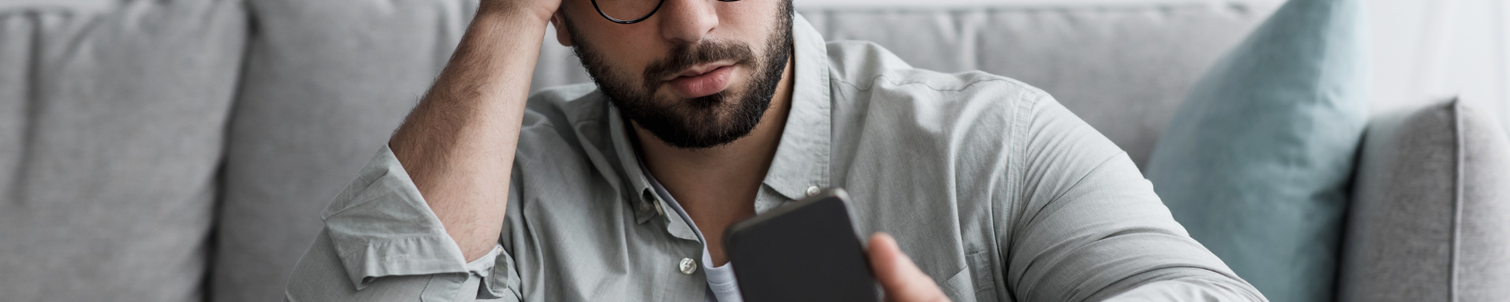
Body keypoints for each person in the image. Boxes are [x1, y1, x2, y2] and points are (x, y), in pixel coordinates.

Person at [284, 0, 1268, 300]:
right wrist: (499, 23)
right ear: (564, 23)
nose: (691, 23)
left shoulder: (992, 143)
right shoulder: (506, 198)